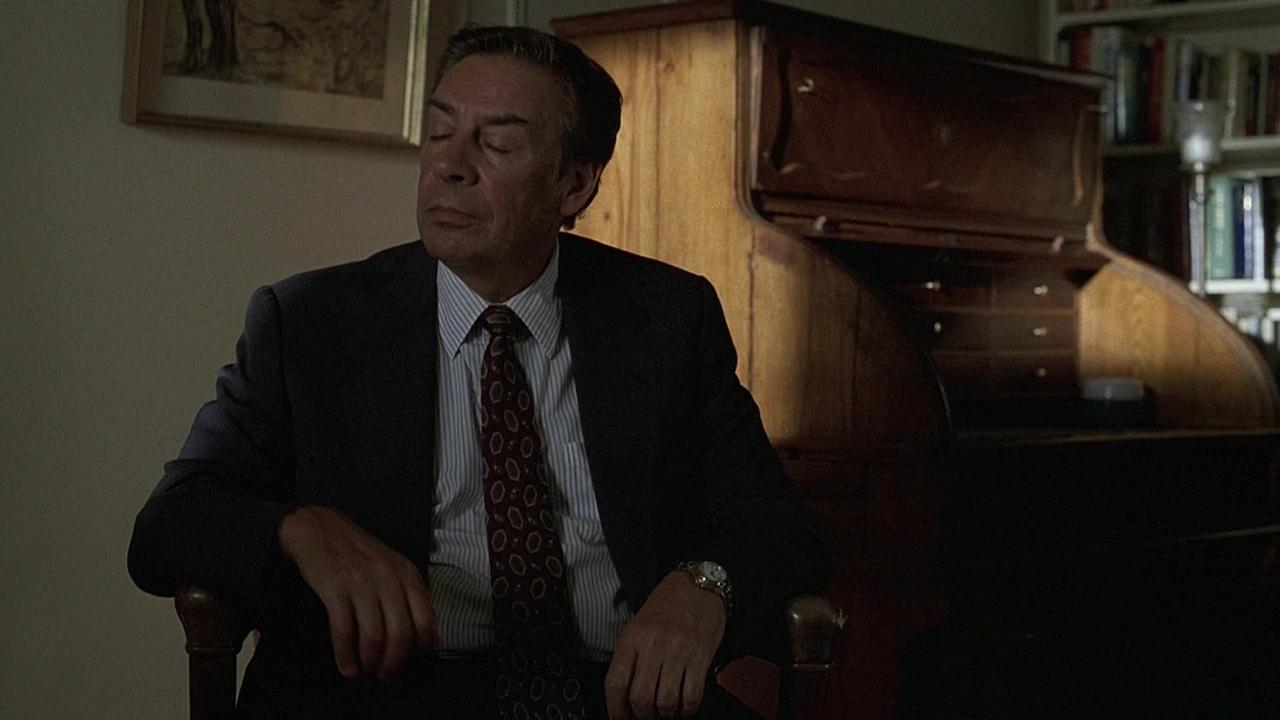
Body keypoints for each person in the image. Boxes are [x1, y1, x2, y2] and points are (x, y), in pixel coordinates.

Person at [128, 25, 828, 720]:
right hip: (387, 696)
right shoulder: (311, 322)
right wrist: (302, 528)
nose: (450, 165)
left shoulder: (666, 316)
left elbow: (777, 524)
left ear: (574, 184)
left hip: (621, 696)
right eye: (440, 132)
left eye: (495, 143)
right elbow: (170, 522)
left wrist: (705, 583)